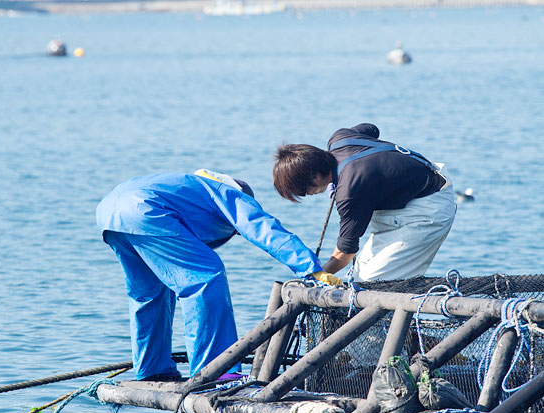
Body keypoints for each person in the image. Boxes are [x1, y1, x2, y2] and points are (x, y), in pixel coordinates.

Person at [96, 169, 342, 381]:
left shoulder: (191, 187)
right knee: (206, 278)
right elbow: (263, 227)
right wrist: (311, 268)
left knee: (149, 293)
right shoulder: (229, 193)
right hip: (145, 210)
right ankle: (215, 370)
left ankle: (151, 369)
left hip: (110, 213)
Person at [273, 123, 456, 282]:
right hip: (424, 180)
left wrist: (317, 276)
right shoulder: (339, 139)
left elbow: (346, 252)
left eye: (303, 191)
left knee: (374, 283)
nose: (308, 194)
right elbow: (371, 129)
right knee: (358, 275)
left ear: (315, 175)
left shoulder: (349, 191)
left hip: (429, 207)